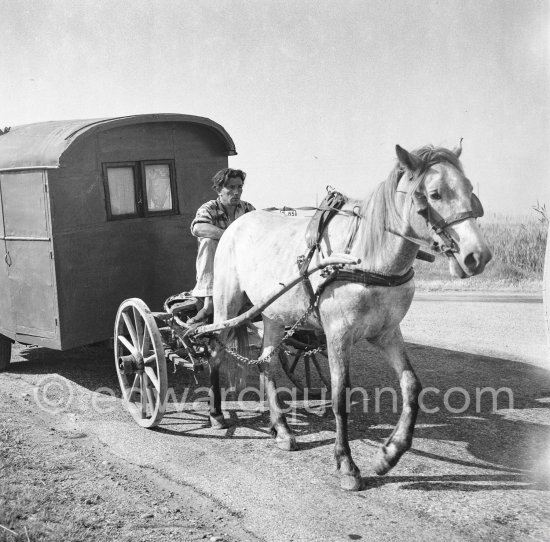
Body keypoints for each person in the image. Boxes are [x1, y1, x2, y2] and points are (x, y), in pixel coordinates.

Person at [188, 168, 255, 323]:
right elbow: (198, 228)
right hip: (218, 267)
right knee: (208, 241)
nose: (236, 192)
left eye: (239, 187)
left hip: (243, 264)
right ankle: (209, 302)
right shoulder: (209, 208)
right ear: (219, 189)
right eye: (231, 187)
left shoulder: (248, 209)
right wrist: (230, 235)